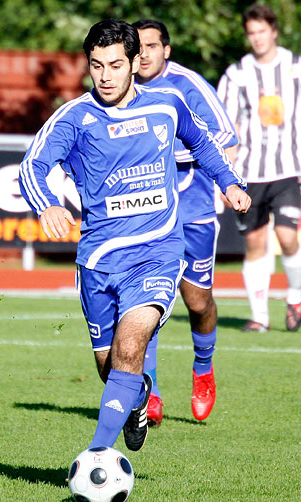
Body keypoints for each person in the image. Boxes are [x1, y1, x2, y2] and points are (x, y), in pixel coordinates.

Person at [18, 20, 250, 454]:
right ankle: (139, 394)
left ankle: (97, 456)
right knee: (112, 368)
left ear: (134, 63)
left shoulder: (168, 104)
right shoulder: (75, 117)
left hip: (157, 252)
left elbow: (203, 144)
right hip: (99, 260)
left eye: (115, 65)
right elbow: (31, 165)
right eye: (96, 65)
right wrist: (47, 204)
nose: (105, 76)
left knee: (131, 344)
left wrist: (229, 182)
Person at [131, 19, 239, 425]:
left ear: (167, 50)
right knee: (149, 297)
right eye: (137, 46)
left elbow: (227, 138)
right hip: (146, 208)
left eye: (151, 46)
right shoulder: (124, 88)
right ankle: (151, 392)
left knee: (197, 301)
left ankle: (204, 368)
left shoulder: (188, 85)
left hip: (193, 205)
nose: (143, 54)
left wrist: (226, 183)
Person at [217, 4, 301, 333]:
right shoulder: (237, 74)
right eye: (251, 33)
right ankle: (260, 317)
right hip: (249, 173)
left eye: (262, 31)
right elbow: (225, 126)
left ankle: (295, 297)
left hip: (289, 169)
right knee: (256, 243)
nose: (257, 38)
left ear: (273, 31)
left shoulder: (299, 68)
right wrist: (226, 174)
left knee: (287, 236)